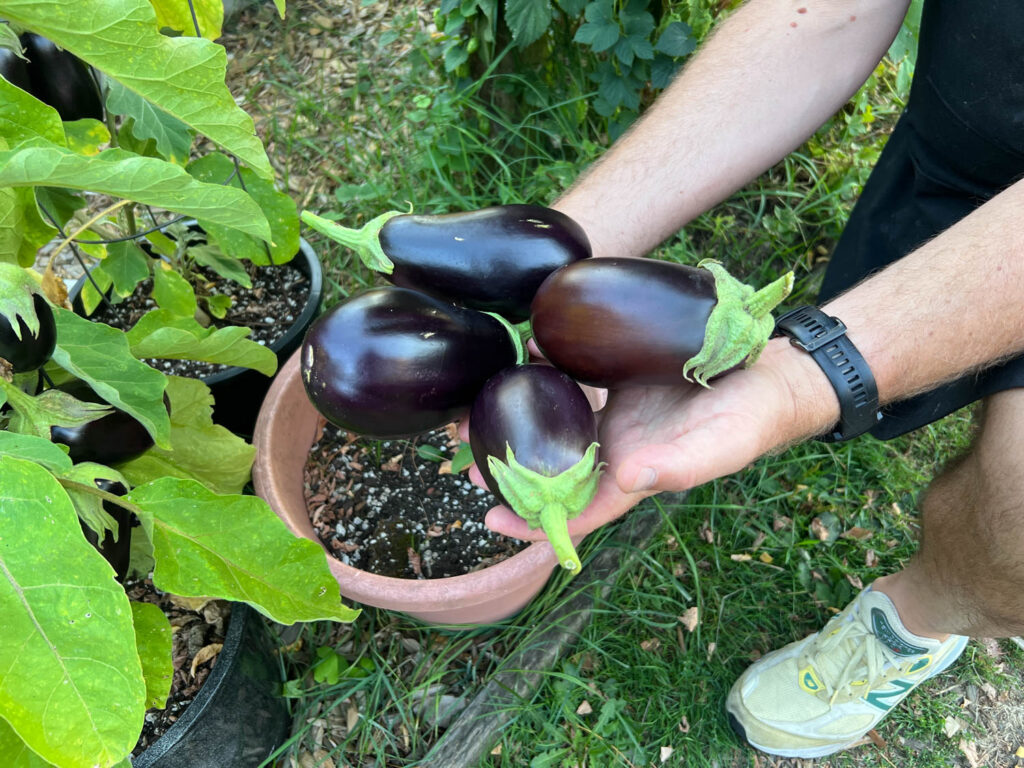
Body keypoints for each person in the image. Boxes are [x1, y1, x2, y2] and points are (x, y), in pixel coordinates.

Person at [472, 0, 1024, 759]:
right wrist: (547, 264)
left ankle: (920, 619)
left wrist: (807, 377)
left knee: (1019, 527)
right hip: (968, 149)